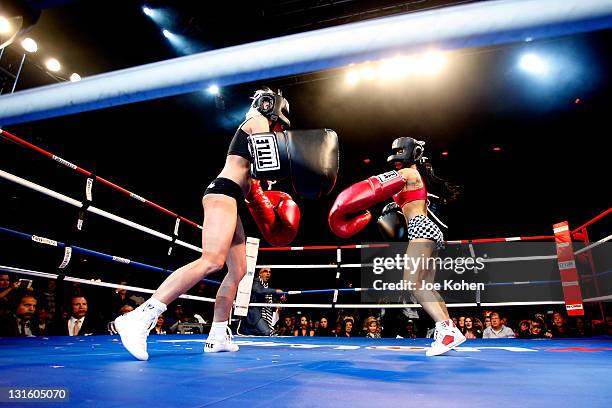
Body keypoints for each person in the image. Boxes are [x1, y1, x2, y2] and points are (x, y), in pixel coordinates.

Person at [114, 88, 338, 360]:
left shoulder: (260, 135)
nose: (279, 129)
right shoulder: (258, 122)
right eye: (279, 124)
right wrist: (301, 159)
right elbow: (271, 161)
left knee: (238, 270)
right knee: (211, 260)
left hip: (231, 197)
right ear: (271, 108)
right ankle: (140, 317)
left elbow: (262, 171)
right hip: (223, 192)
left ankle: (218, 334)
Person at [328, 137, 464, 356]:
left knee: (413, 282)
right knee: (426, 285)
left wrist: (347, 201)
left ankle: (447, 332)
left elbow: (374, 187)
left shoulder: (408, 174)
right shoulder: (411, 179)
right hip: (426, 229)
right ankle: (449, 329)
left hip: (420, 229)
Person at [238, 268, 285, 336]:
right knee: (267, 332)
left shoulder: (267, 285)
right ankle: (245, 329)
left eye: (269, 272)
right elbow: (259, 290)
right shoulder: (255, 281)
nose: (268, 273)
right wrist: (275, 291)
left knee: (269, 331)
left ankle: (247, 328)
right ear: (260, 274)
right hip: (254, 312)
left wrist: (279, 300)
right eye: (265, 271)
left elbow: (269, 298)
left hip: (264, 313)